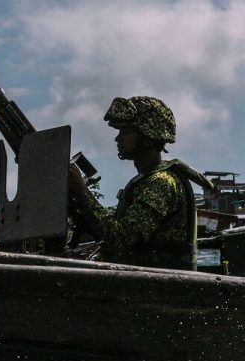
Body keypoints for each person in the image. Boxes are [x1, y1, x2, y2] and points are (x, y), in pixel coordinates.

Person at [68, 96, 214, 270]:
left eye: (126, 132)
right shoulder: (147, 180)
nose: (118, 139)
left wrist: (81, 191)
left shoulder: (161, 184)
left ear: (149, 138)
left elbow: (119, 239)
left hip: (159, 288)